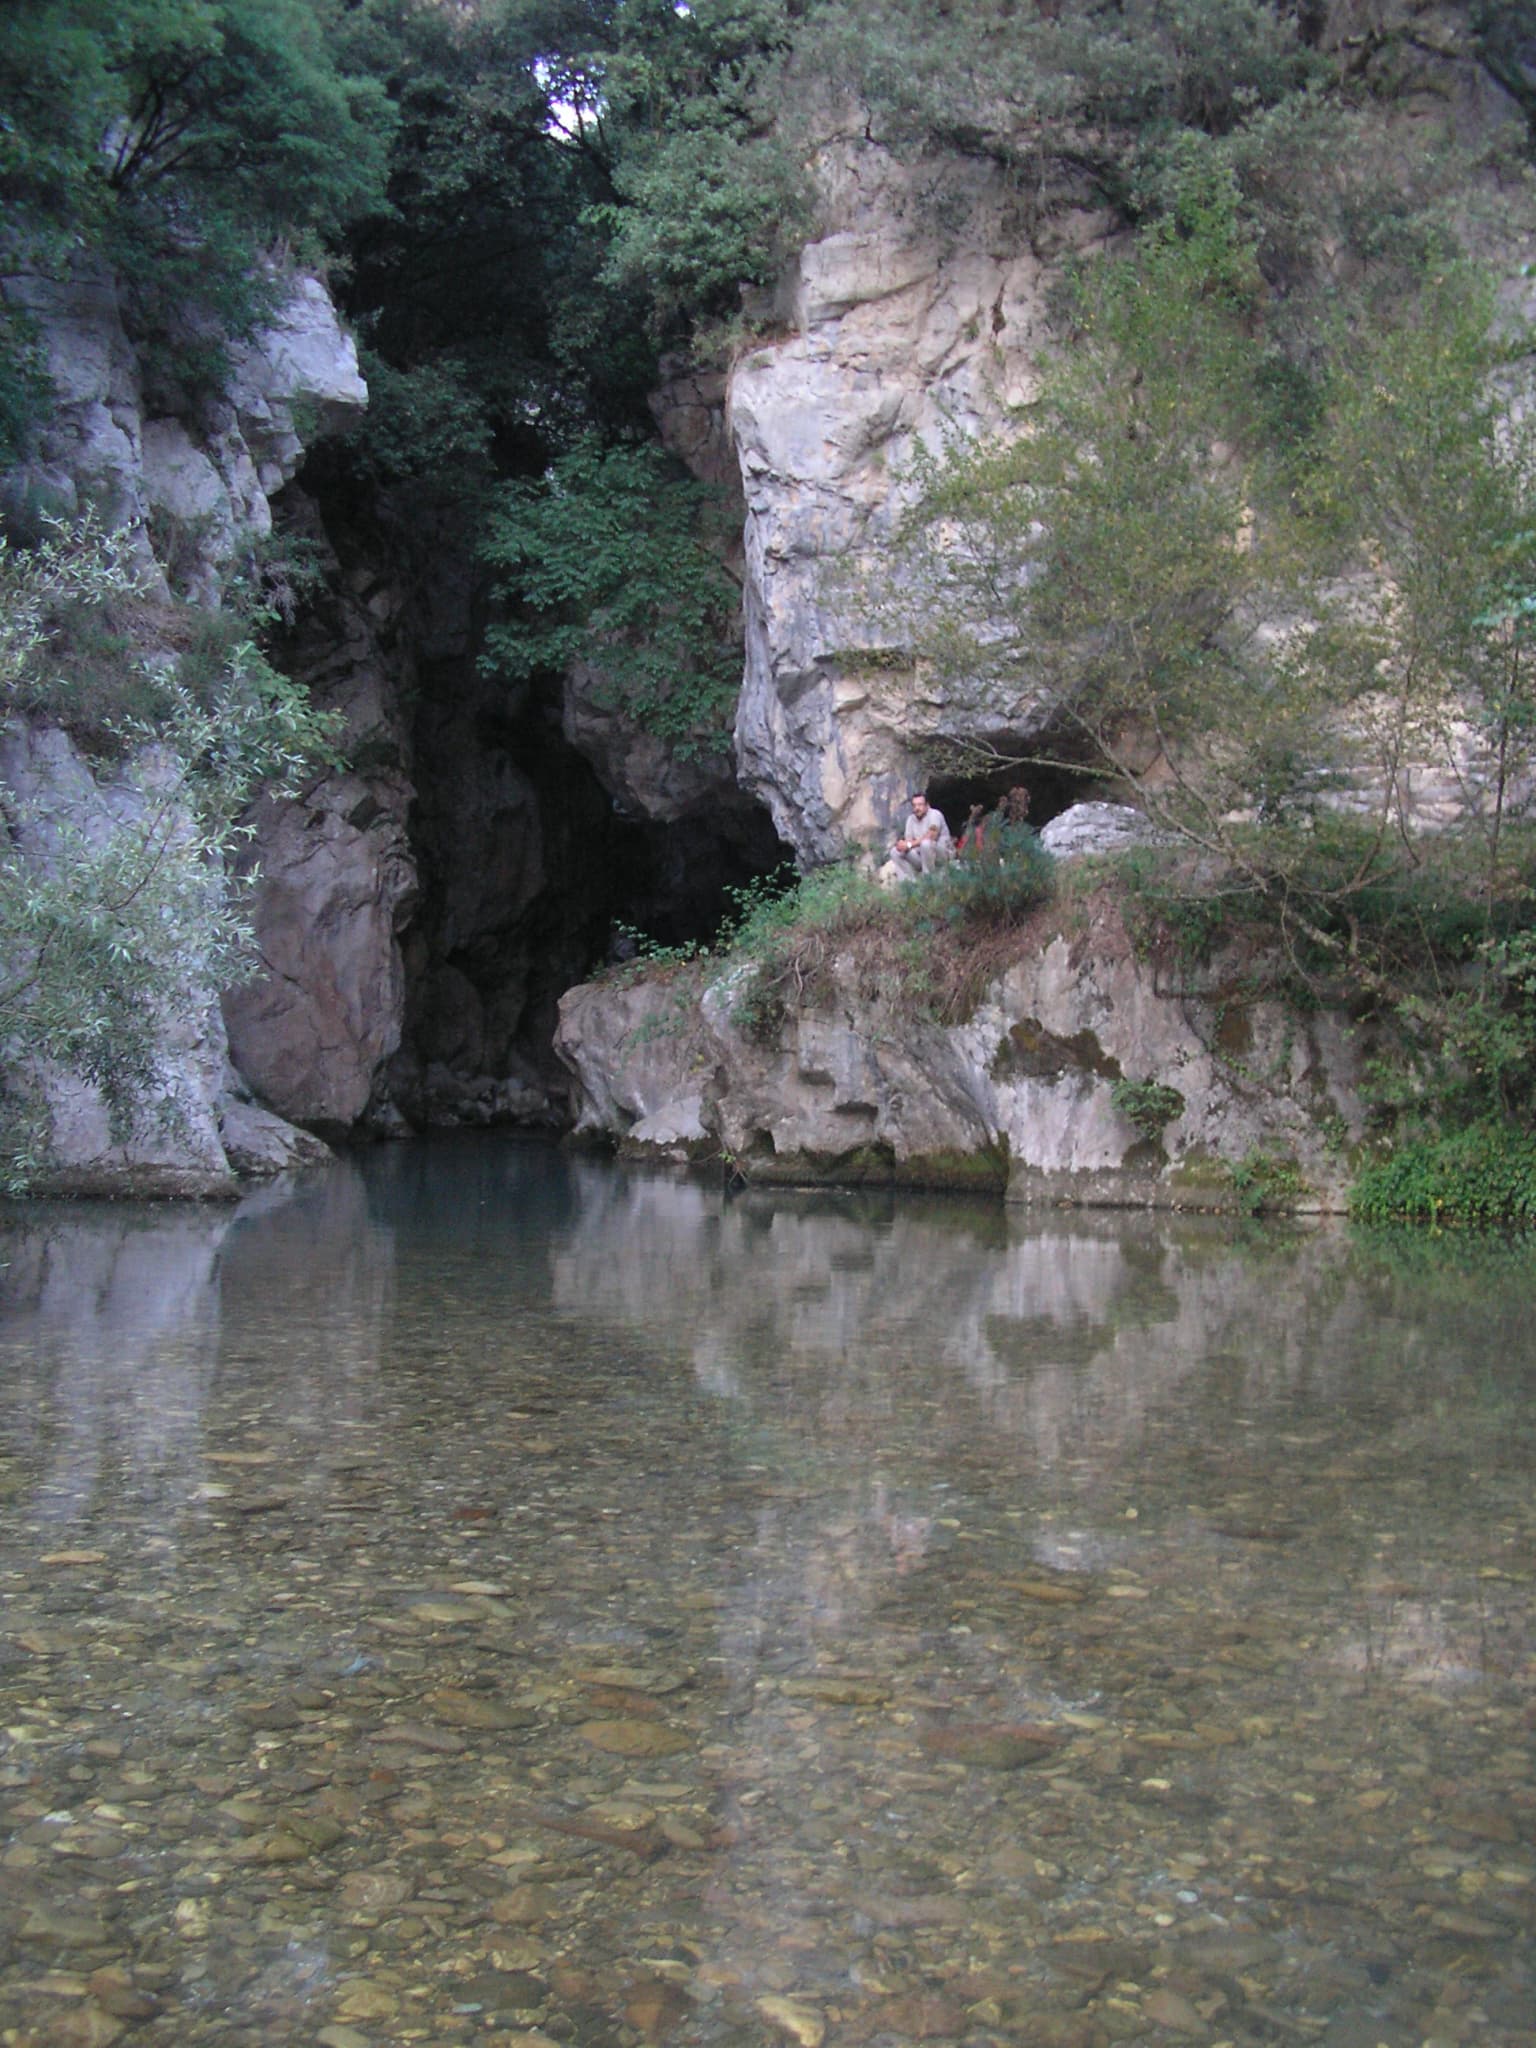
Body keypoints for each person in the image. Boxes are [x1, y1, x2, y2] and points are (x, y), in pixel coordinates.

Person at [889, 792, 953, 879]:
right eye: (914, 805)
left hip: (941, 855)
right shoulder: (911, 819)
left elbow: (931, 836)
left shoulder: (935, 814)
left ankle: (928, 879)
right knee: (895, 851)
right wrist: (902, 845)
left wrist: (909, 844)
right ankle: (909, 884)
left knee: (926, 843)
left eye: (920, 805)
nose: (917, 808)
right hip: (921, 857)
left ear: (927, 805)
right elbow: (908, 841)